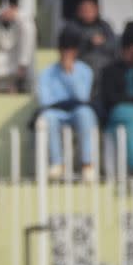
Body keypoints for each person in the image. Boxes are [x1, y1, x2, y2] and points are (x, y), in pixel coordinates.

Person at [36, 30, 98, 181]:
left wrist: (69, 73)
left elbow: (82, 96)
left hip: (77, 110)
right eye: (64, 50)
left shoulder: (85, 71)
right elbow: (45, 101)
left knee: (86, 113)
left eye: (70, 50)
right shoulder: (46, 72)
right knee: (47, 118)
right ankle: (57, 163)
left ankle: (87, 163)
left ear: (76, 51)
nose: (67, 54)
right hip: (56, 112)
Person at [62, 0, 116, 91]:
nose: (87, 13)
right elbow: (68, 49)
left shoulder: (104, 26)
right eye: (84, 11)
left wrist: (103, 43)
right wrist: (88, 42)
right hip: (80, 64)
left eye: (90, 10)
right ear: (79, 12)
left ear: (97, 10)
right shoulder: (72, 27)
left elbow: (113, 45)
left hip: (105, 64)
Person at [98, 29, 133, 121]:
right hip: (121, 109)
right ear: (123, 50)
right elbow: (111, 97)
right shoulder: (110, 70)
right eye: (131, 51)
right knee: (130, 116)